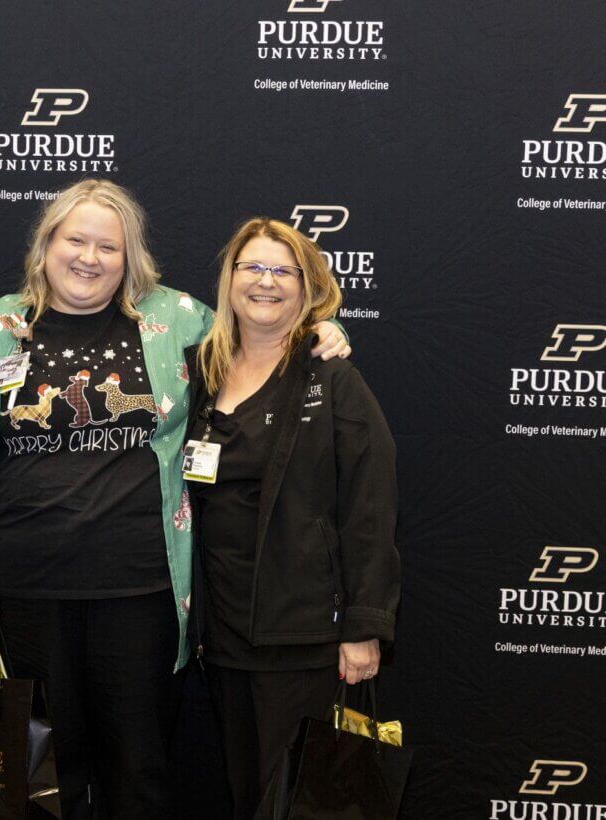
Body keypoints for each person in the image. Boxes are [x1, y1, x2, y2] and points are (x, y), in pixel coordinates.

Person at [0, 180, 348, 819]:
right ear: (46, 244)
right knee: (41, 777)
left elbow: (261, 336)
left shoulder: (176, 319)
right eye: (76, 240)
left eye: (110, 246)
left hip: (143, 593)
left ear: (131, 259)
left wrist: (323, 327)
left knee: (140, 770)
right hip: (25, 592)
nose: (90, 258)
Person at [183, 217, 400, 818]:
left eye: (284, 271)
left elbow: (370, 506)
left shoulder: (331, 377)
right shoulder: (199, 371)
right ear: (229, 281)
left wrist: (363, 626)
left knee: (305, 803)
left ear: (308, 289)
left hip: (305, 637)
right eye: (252, 267)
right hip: (222, 637)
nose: (266, 282)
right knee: (247, 795)